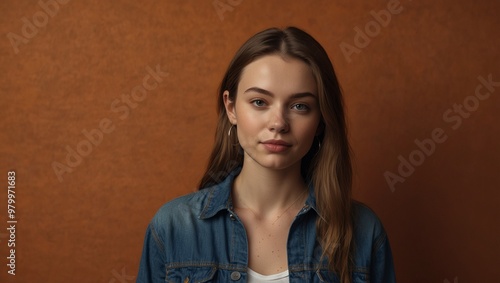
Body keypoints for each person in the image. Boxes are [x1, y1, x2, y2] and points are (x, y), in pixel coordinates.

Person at [137, 26, 396, 283]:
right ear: (231, 108)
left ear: (321, 121)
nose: (278, 123)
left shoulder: (363, 232)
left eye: (299, 106)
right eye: (259, 102)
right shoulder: (174, 227)